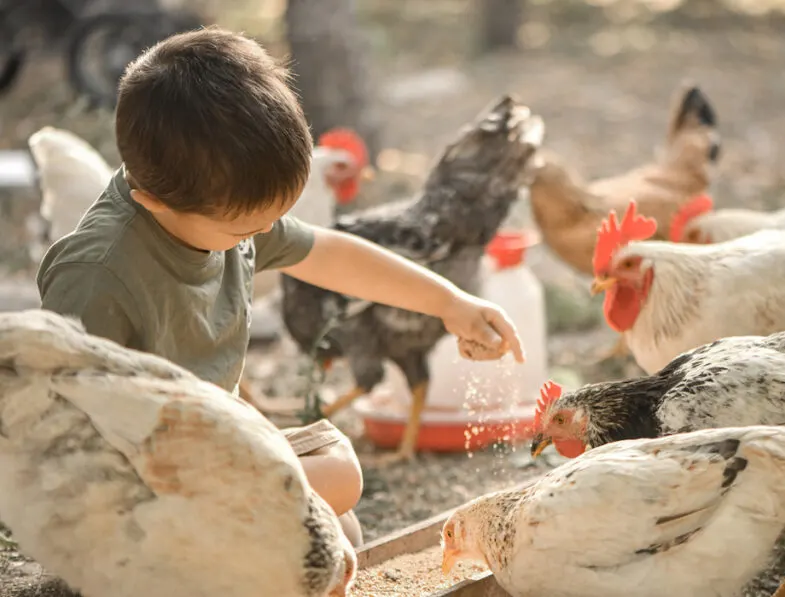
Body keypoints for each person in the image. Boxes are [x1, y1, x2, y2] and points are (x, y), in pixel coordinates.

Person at [35, 27, 525, 548]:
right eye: (247, 229)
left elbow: (330, 254)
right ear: (155, 201)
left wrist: (450, 303)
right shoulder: (99, 274)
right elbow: (64, 433)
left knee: (340, 526)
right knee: (336, 483)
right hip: (134, 502)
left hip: (208, 456)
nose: (262, 236)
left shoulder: (212, 207)